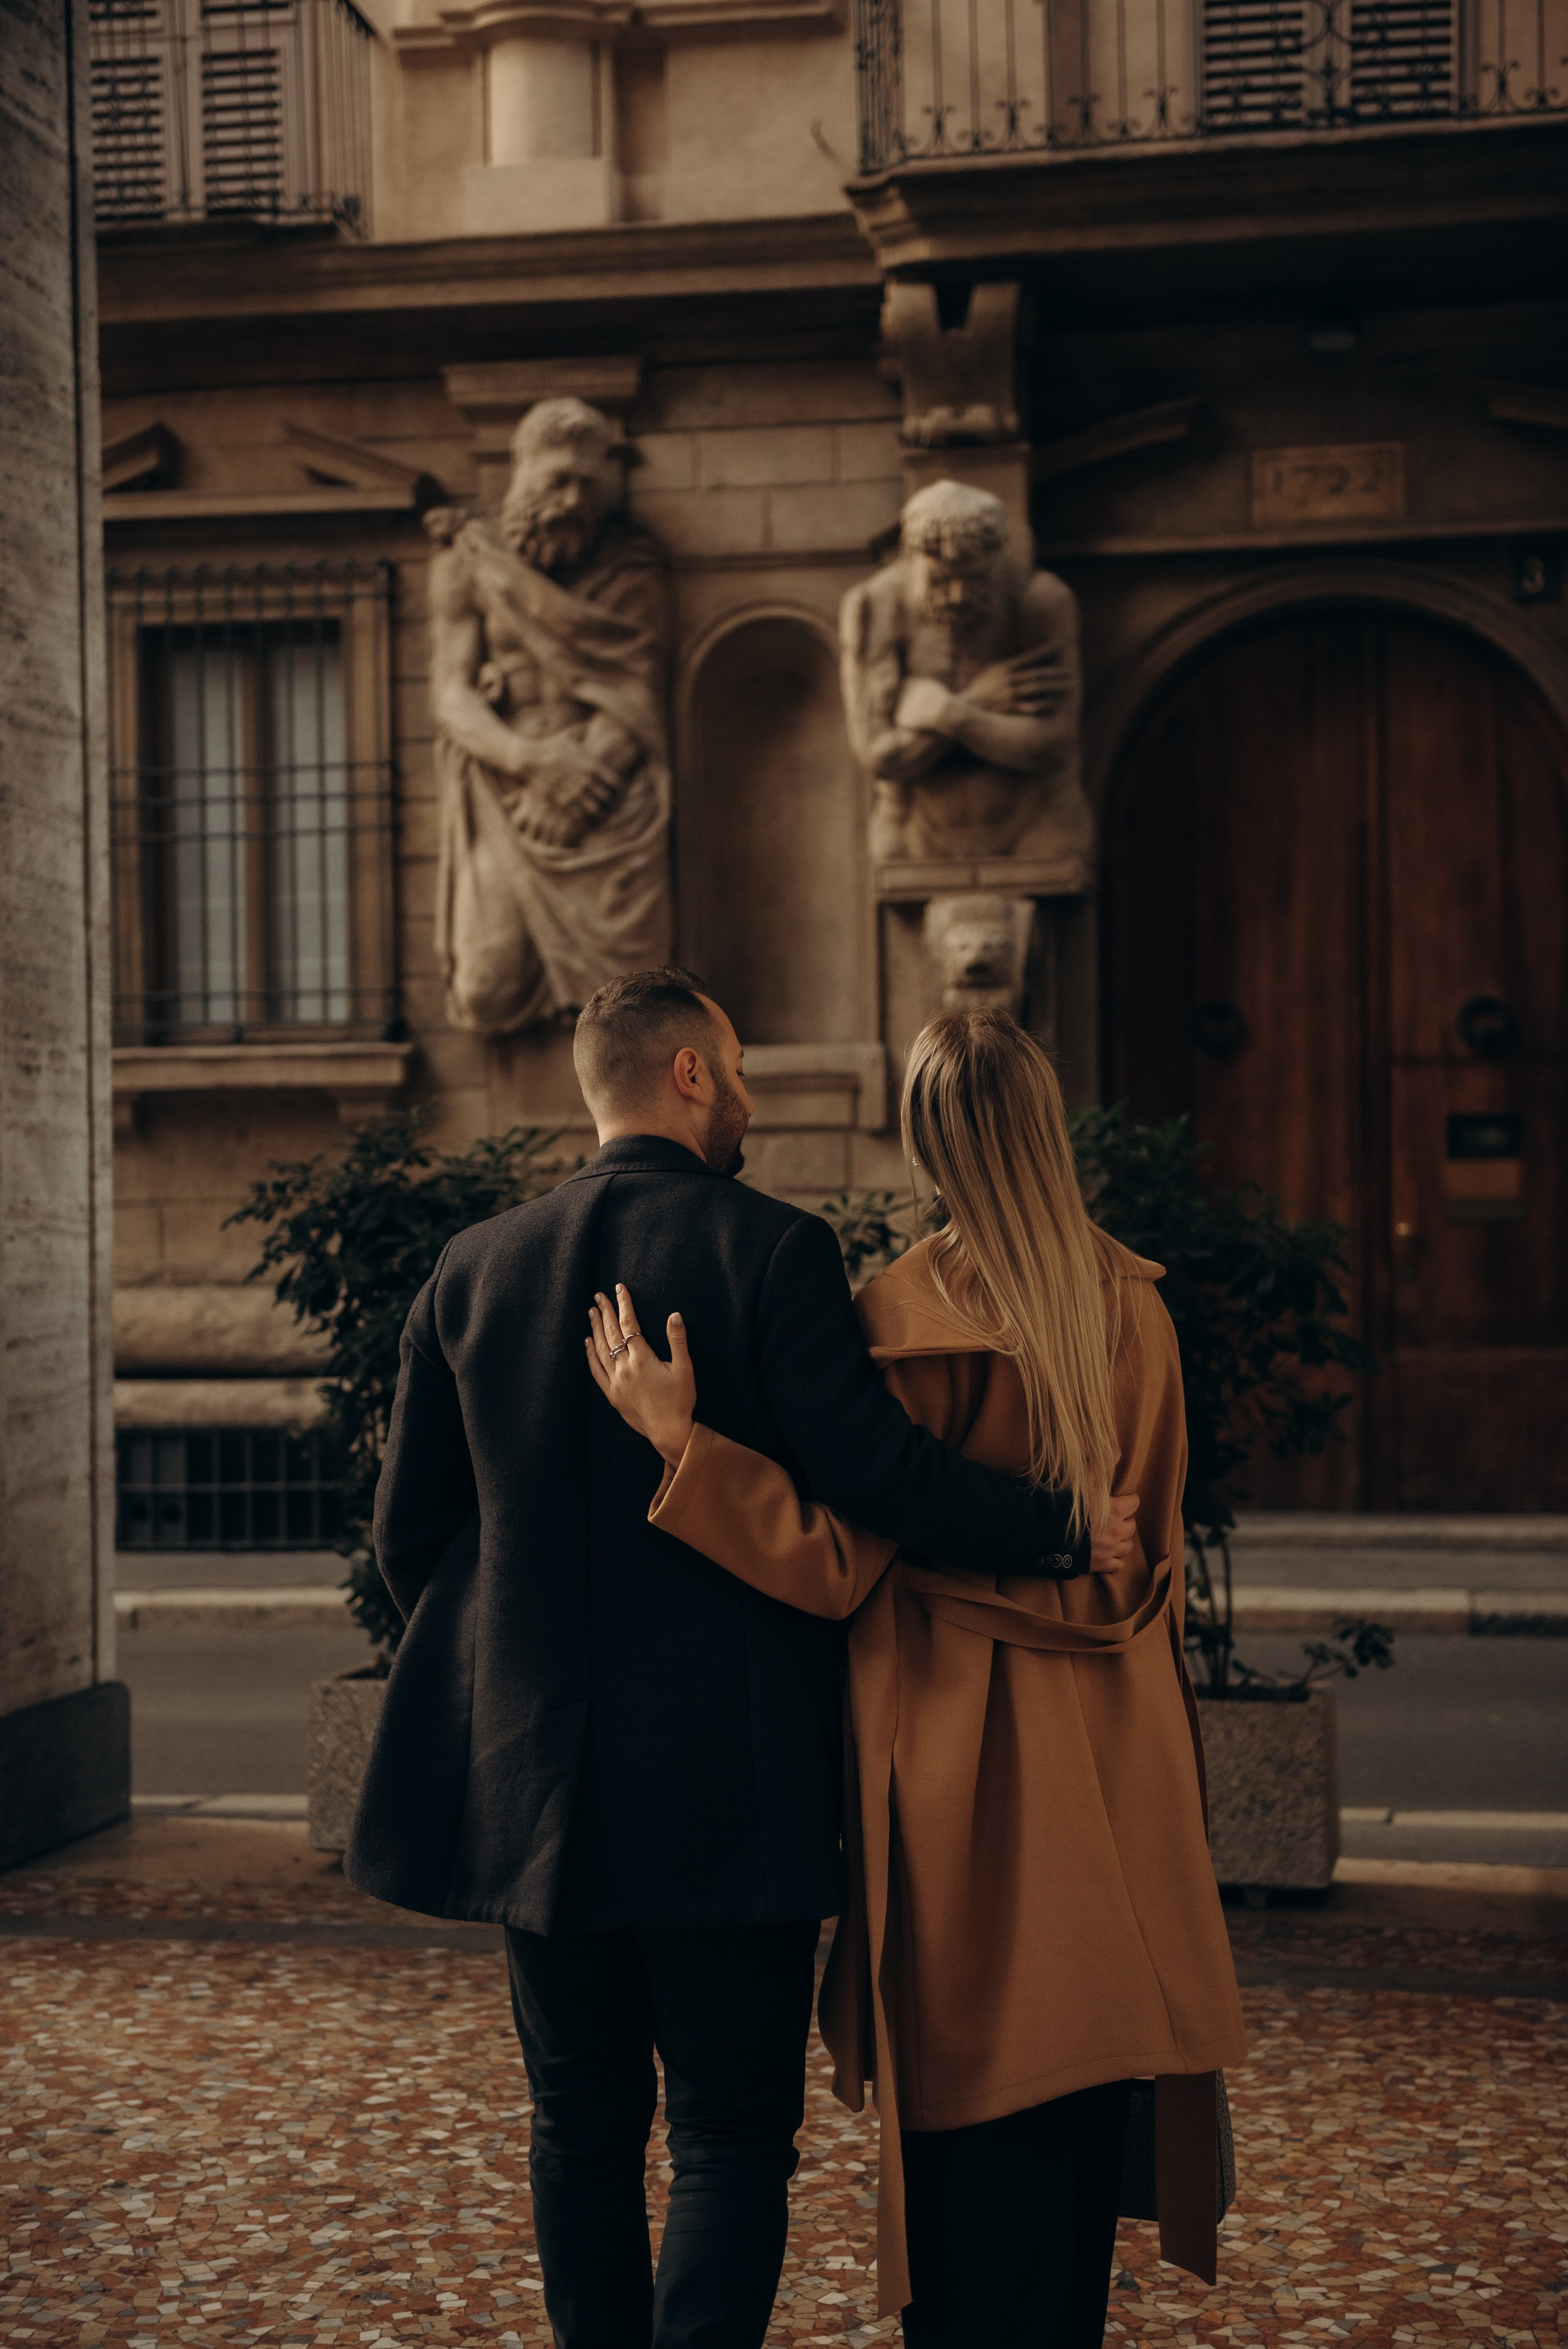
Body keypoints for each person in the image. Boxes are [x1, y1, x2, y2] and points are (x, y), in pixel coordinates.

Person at [346, 969, 1137, 2349]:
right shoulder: (769, 1248)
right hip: (732, 1788)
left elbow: (409, 1538)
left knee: (578, 2127)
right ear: (692, 1075)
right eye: (740, 1068)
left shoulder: (471, 1269)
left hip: (536, 1789)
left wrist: (516, 1657)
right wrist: (1063, 1526)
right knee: (726, 2137)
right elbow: (881, 1476)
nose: (753, 1099)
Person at [587, 1007, 1249, 2348]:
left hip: (949, 1769)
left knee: (963, 2135)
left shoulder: (889, 1319)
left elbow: (835, 1561)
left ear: (925, 1141)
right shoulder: (1135, 1312)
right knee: (1080, 2127)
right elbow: (1145, 1569)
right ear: (1046, 1124)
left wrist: (685, 1448)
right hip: (1111, 1768)